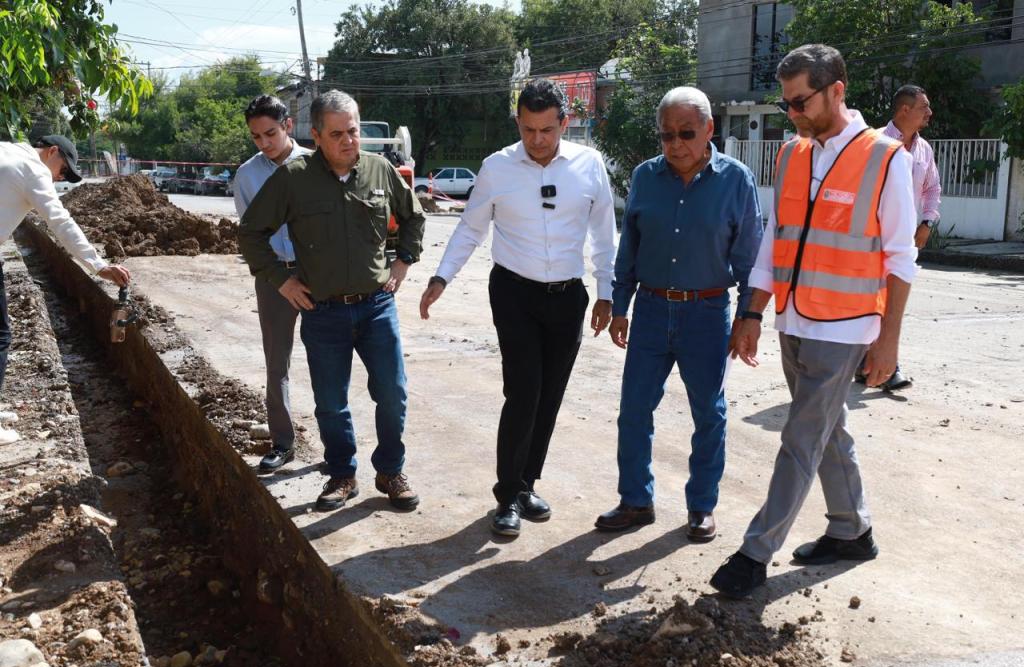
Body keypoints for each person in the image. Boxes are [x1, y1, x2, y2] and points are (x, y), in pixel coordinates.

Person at [709, 44, 917, 598]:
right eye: (786, 106)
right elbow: (773, 242)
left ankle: (755, 553)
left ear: (836, 90)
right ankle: (851, 530)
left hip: (847, 326)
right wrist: (752, 309)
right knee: (826, 431)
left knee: (800, 436)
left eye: (801, 102)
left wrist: (887, 342)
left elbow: (901, 258)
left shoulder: (887, 158)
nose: (794, 113)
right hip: (794, 319)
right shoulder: (794, 154)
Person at [419, 79, 616, 537]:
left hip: (567, 297)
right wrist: (441, 276)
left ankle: (527, 483)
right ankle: (507, 495)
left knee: (550, 396)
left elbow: (604, 237)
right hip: (514, 294)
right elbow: (470, 229)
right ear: (519, 124)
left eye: (547, 129)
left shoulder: (590, 166)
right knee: (524, 391)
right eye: (528, 129)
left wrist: (607, 293)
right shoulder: (497, 168)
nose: (537, 140)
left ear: (565, 123)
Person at [238, 90, 425, 512]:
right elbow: (250, 234)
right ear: (317, 136)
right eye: (337, 133)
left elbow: (414, 216)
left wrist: (404, 262)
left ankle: (390, 471)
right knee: (331, 403)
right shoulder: (293, 178)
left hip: (377, 306)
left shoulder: (380, 171)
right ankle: (342, 475)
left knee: (393, 394)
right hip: (322, 312)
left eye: (354, 131)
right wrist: (281, 281)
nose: (348, 141)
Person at [593, 86, 763, 542]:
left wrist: (751, 317)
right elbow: (629, 246)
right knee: (633, 411)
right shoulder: (646, 177)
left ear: (709, 129)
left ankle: (702, 506)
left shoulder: (736, 180)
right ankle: (635, 500)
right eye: (666, 135)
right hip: (649, 311)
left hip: (707, 315)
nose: (675, 144)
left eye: (686, 133)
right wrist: (620, 304)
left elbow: (750, 258)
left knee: (709, 413)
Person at [0, 135, 131, 446]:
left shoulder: (6, 149)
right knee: (1, 335)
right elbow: (60, 220)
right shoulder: (34, 169)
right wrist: (98, 266)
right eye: (63, 171)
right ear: (52, 151)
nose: (60, 178)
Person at [233, 95, 312, 473]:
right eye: (256, 137)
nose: (264, 143)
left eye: (270, 134)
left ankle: (337, 449)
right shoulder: (248, 175)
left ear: (288, 127)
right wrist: (278, 278)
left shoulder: (317, 164)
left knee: (329, 361)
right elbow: (250, 237)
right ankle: (283, 443)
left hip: (319, 276)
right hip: (275, 279)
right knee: (276, 362)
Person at [854, 84, 941, 392]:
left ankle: (869, 365)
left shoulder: (923, 149)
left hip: (903, 242)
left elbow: (932, 189)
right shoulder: (874, 143)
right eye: (924, 107)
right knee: (877, 302)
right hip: (872, 240)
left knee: (889, 302)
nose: (929, 113)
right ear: (905, 110)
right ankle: (882, 364)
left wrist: (927, 222)